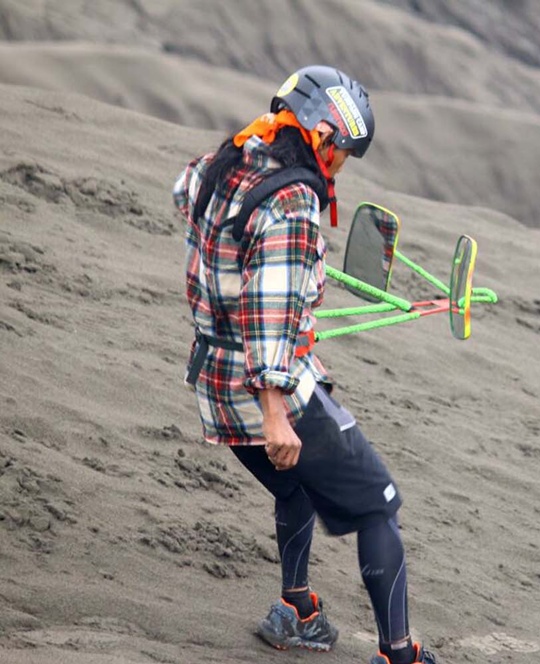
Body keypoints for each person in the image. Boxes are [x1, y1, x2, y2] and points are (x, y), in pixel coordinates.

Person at [172, 64, 436, 664]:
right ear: (322, 136)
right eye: (342, 152)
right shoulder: (292, 203)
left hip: (212, 380)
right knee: (377, 505)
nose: (340, 166)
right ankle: (400, 655)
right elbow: (267, 316)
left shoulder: (231, 159)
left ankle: (296, 610)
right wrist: (275, 415)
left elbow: (183, 194)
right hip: (266, 393)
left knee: (296, 485)